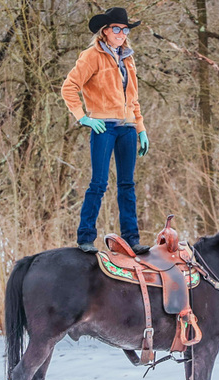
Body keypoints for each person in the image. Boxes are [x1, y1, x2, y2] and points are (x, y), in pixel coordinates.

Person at [61, 7, 150, 254]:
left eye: (125, 29)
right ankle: (86, 237)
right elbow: (69, 87)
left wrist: (141, 128)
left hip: (127, 128)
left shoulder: (128, 58)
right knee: (98, 183)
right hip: (104, 127)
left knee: (127, 185)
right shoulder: (92, 55)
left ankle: (131, 239)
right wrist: (83, 118)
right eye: (117, 29)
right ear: (106, 31)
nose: (122, 33)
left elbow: (134, 98)